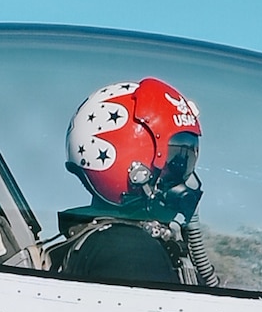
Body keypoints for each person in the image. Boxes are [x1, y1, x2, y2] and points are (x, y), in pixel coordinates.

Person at [54, 77, 220, 287]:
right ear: (135, 169)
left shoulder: (100, 240)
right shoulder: (130, 250)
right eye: (174, 160)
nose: (183, 176)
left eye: (186, 158)